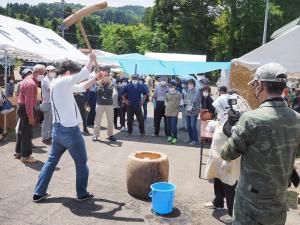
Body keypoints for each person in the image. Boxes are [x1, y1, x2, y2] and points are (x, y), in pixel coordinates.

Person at [221, 63, 300, 225]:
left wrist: (232, 131)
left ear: (260, 85)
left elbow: (227, 153)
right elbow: (295, 152)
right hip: (278, 198)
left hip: (251, 201)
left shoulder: (251, 119)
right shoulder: (297, 119)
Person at [33, 53, 103, 202]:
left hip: (58, 130)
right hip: (70, 131)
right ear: (68, 73)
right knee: (81, 163)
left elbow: (81, 86)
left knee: (51, 162)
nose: (74, 77)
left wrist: (95, 79)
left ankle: (39, 192)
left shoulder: (58, 83)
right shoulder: (63, 82)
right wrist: (90, 61)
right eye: (73, 75)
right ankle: (82, 193)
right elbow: (82, 75)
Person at [15, 64, 45, 163]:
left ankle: (19, 152)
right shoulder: (31, 83)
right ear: (36, 73)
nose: (43, 75)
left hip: (21, 107)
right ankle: (25, 156)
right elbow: (28, 102)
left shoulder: (28, 79)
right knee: (27, 133)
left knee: (21, 131)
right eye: (42, 73)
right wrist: (31, 116)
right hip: (25, 108)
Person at [93, 66, 116, 142]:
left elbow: (110, 93)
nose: (105, 77)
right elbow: (97, 92)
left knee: (110, 120)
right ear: (101, 76)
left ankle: (110, 135)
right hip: (100, 103)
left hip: (109, 104)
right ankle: (95, 135)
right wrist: (100, 85)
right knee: (97, 120)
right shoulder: (97, 83)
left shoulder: (111, 83)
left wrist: (109, 84)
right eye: (104, 75)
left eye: (106, 76)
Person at [40, 65, 56, 145]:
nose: (53, 72)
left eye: (54, 70)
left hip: (51, 103)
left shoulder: (52, 79)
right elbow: (52, 90)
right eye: (51, 70)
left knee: (51, 121)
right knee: (46, 121)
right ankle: (45, 137)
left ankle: (49, 136)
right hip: (47, 103)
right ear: (47, 71)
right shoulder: (45, 80)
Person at [165, 80, 182, 144]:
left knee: (173, 126)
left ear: (175, 86)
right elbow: (166, 103)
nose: (170, 87)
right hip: (167, 111)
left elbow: (181, 103)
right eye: (169, 86)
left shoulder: (179, 94)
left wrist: (178, 111)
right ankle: (169, 136)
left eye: (172, 86)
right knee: (168, 126)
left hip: (175, 112)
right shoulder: (167, 94)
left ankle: (175, 137)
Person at [185, 79, 201, 145]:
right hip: (188, 110)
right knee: (188, 125)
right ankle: (190, 138)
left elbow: (194, 100)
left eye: (191, 84)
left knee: (193, 125)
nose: (189, 85)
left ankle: (195, 140)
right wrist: (188, 101)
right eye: (188, 84)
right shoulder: (188, 91)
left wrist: (188, 101)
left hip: (194, 111)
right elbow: (185, 99)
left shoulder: (197, 91)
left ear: (194, 84)